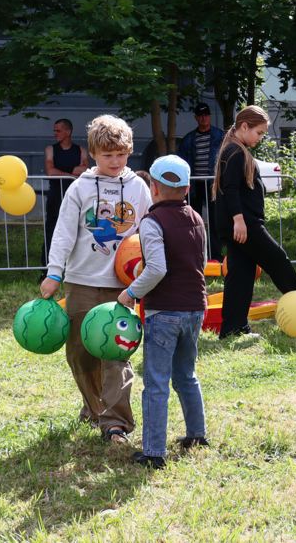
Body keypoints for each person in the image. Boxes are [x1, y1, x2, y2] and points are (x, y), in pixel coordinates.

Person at [41, 114, 152, 443]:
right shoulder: (80, 188)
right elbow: (63, 233)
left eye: (121, 154)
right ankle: (94, 405)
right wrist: (54, 273)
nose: (116, 161)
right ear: (93, 154)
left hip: (123, 289)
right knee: (80, 352)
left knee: (116, 354)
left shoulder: (138, 188)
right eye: (108, 155)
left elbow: (149, 232)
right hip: (82, 281)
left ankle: (116, 423)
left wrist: (145, 278)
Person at [117, 155, 208, 469]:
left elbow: (157, 268)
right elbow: (196, 261)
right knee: (186, 375)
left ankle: (154, 451)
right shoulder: (196, 217)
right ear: (185, 188)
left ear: (153, 187)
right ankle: (197, 434)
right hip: (195, 306)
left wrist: (131, 292)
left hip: (164, 309)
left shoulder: (152, 221)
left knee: (156, 382)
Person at [213, 106, 296, 338]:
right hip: (245, 224)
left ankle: (234, 327)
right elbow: (230, 189)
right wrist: (239, 220)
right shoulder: (234, 152)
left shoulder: (236, 149)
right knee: (277, 259)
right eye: (259, 132)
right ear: (244, 127)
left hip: (241, 223)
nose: (261, 138)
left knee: (240, 274)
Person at [178, 104, 225, 260]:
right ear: (196, 117)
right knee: (193, 220)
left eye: (206, 114)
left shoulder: (220, 136)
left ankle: (215, 255)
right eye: (200, 115)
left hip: (213, 183)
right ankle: (196, 253)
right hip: (195, 185)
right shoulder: (188, 139)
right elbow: (183, 162)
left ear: (209, 116)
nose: (204, 118)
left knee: (215, 220)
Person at [43, 118, 88, 267]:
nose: (55, 133)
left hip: (76, 194)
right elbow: (50, 171)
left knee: (77, 227)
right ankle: (47, 265)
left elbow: (84, 170)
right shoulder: (51, 149)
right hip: (56, 193)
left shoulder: (80, 150)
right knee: (52, 227)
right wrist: (70, 174)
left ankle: (73, 265)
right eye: (54, 130)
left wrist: (63, 172)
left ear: (68, 132)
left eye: (58, 130)